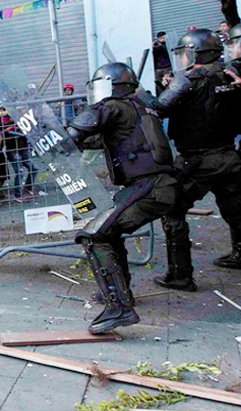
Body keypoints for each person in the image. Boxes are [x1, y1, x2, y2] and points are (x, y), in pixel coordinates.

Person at [66, 62, 178, 334]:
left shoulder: (116, 106)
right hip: (157, 185)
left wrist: (59, 138)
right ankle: (119, 295)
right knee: (109, 231)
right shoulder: (139, 107)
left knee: (94, 235)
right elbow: (101, 139)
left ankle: (119, 307)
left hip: (148, 185)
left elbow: (85, 124)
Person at [150, 29, 241, 289]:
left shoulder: (190, 79)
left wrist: (146, 94)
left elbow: (159, 107)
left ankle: (180, 275)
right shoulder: (230, 74)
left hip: (196, 160)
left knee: (172, 209)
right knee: (236, 210)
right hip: (229, 155)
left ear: (195, 53)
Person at [152, 32, 171, 96]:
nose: (162, 38)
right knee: (160, 87)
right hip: (158, 69)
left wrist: (161, 46)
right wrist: (154, 47)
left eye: (163, 37)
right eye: (161, 37)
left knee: (168, 84)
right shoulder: (156, 46)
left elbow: (168, 52)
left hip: (167, 68)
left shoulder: (167, 45)